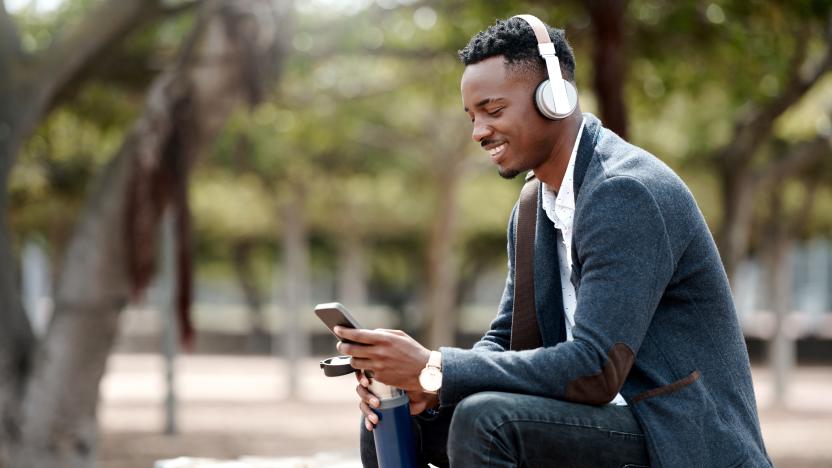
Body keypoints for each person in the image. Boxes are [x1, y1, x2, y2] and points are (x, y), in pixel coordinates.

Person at [335, 14, 771, 468]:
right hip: (603, 422)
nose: (478, 131)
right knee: (392, 418)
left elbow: (596, 367)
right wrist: (421, 386)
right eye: (472, 116)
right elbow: (506, 342)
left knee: (487, 421)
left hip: (678, 434)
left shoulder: (626, 192)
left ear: (555, 98)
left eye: (494, 110)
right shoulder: (533, 208)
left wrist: (437, 368)